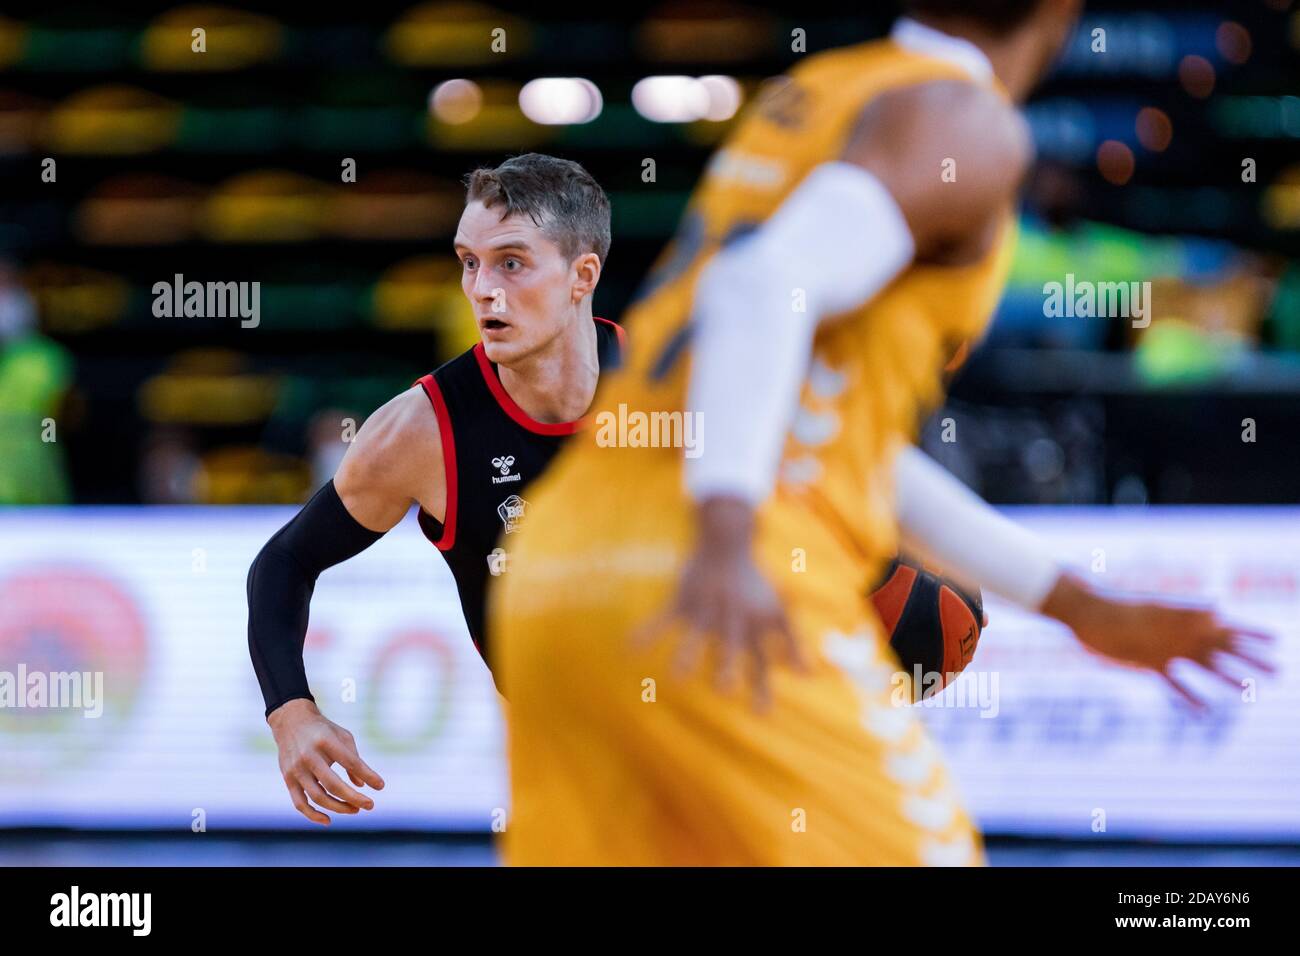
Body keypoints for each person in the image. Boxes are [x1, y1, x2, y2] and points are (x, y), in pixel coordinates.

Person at [489, 1, 1271, 864]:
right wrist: (724, 532)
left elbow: (820, 426)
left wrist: (1075, 607)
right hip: (722, 576)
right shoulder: (965, 121)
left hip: (560, 571)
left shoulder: (815, 93)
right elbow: (759, 286)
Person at [246, 153, 621, 825]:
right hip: (571, 773)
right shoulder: (422, 432)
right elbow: (284, 562)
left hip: (719, 735)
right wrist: (291, 712)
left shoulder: (675, 391)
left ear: (580, 276)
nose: (481, 289)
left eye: (511, 262)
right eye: (468, 262)